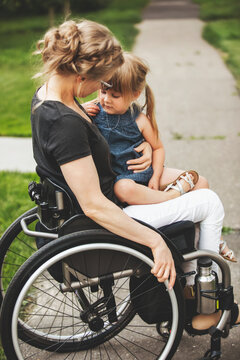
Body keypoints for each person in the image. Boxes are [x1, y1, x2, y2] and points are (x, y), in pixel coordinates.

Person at [31, 19, 239, 331]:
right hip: (109, 217)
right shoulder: (66, 123)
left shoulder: (49, 96)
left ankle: (192, 281)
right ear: (82, 75)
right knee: (208, 202)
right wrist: (154, 242)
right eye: (100, 81)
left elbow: (86, 142)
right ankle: (201, 304)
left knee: (198, 185)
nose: (100, 91)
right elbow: (94, 205)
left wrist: (141, 146)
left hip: (98, 204)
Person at [83, 52, 237, 262]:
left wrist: (155, 177)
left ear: (135, 94)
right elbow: (74, 119)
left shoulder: (139, 119)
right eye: (103, 92)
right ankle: (170, 197)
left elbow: (157, 148)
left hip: (144, 173)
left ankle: (213, 237)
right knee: (123, 189)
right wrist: (82, 109)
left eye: (115, 96)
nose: (106, 99)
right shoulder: (94, 112)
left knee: (201, 182)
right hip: (123, 180)